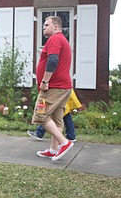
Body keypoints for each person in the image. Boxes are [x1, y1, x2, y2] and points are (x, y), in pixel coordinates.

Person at [31, 16, 73, 161]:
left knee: (41, 115)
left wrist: (44, 81)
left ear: (56, 27)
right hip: (63, 87)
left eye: (46, 24)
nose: (44, 27)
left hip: (53, 87)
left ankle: (64, 142)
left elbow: (53, 60)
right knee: (57, 119)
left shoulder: (55, 39)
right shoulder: (62, 40)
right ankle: (53, 149)